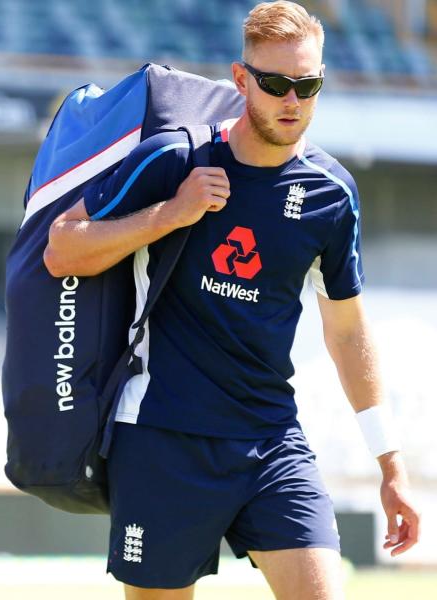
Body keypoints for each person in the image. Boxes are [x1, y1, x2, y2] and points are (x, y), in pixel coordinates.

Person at [43, 2, 420, 599]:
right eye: (275, 84)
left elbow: (348, 332)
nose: (291, 101)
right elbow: (62, 249)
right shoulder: (175, 158)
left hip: (270, 439)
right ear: (242, 80)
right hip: (162, 437)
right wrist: (171, 214)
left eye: (308, 85)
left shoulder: (332, 193)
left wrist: (390, 463)